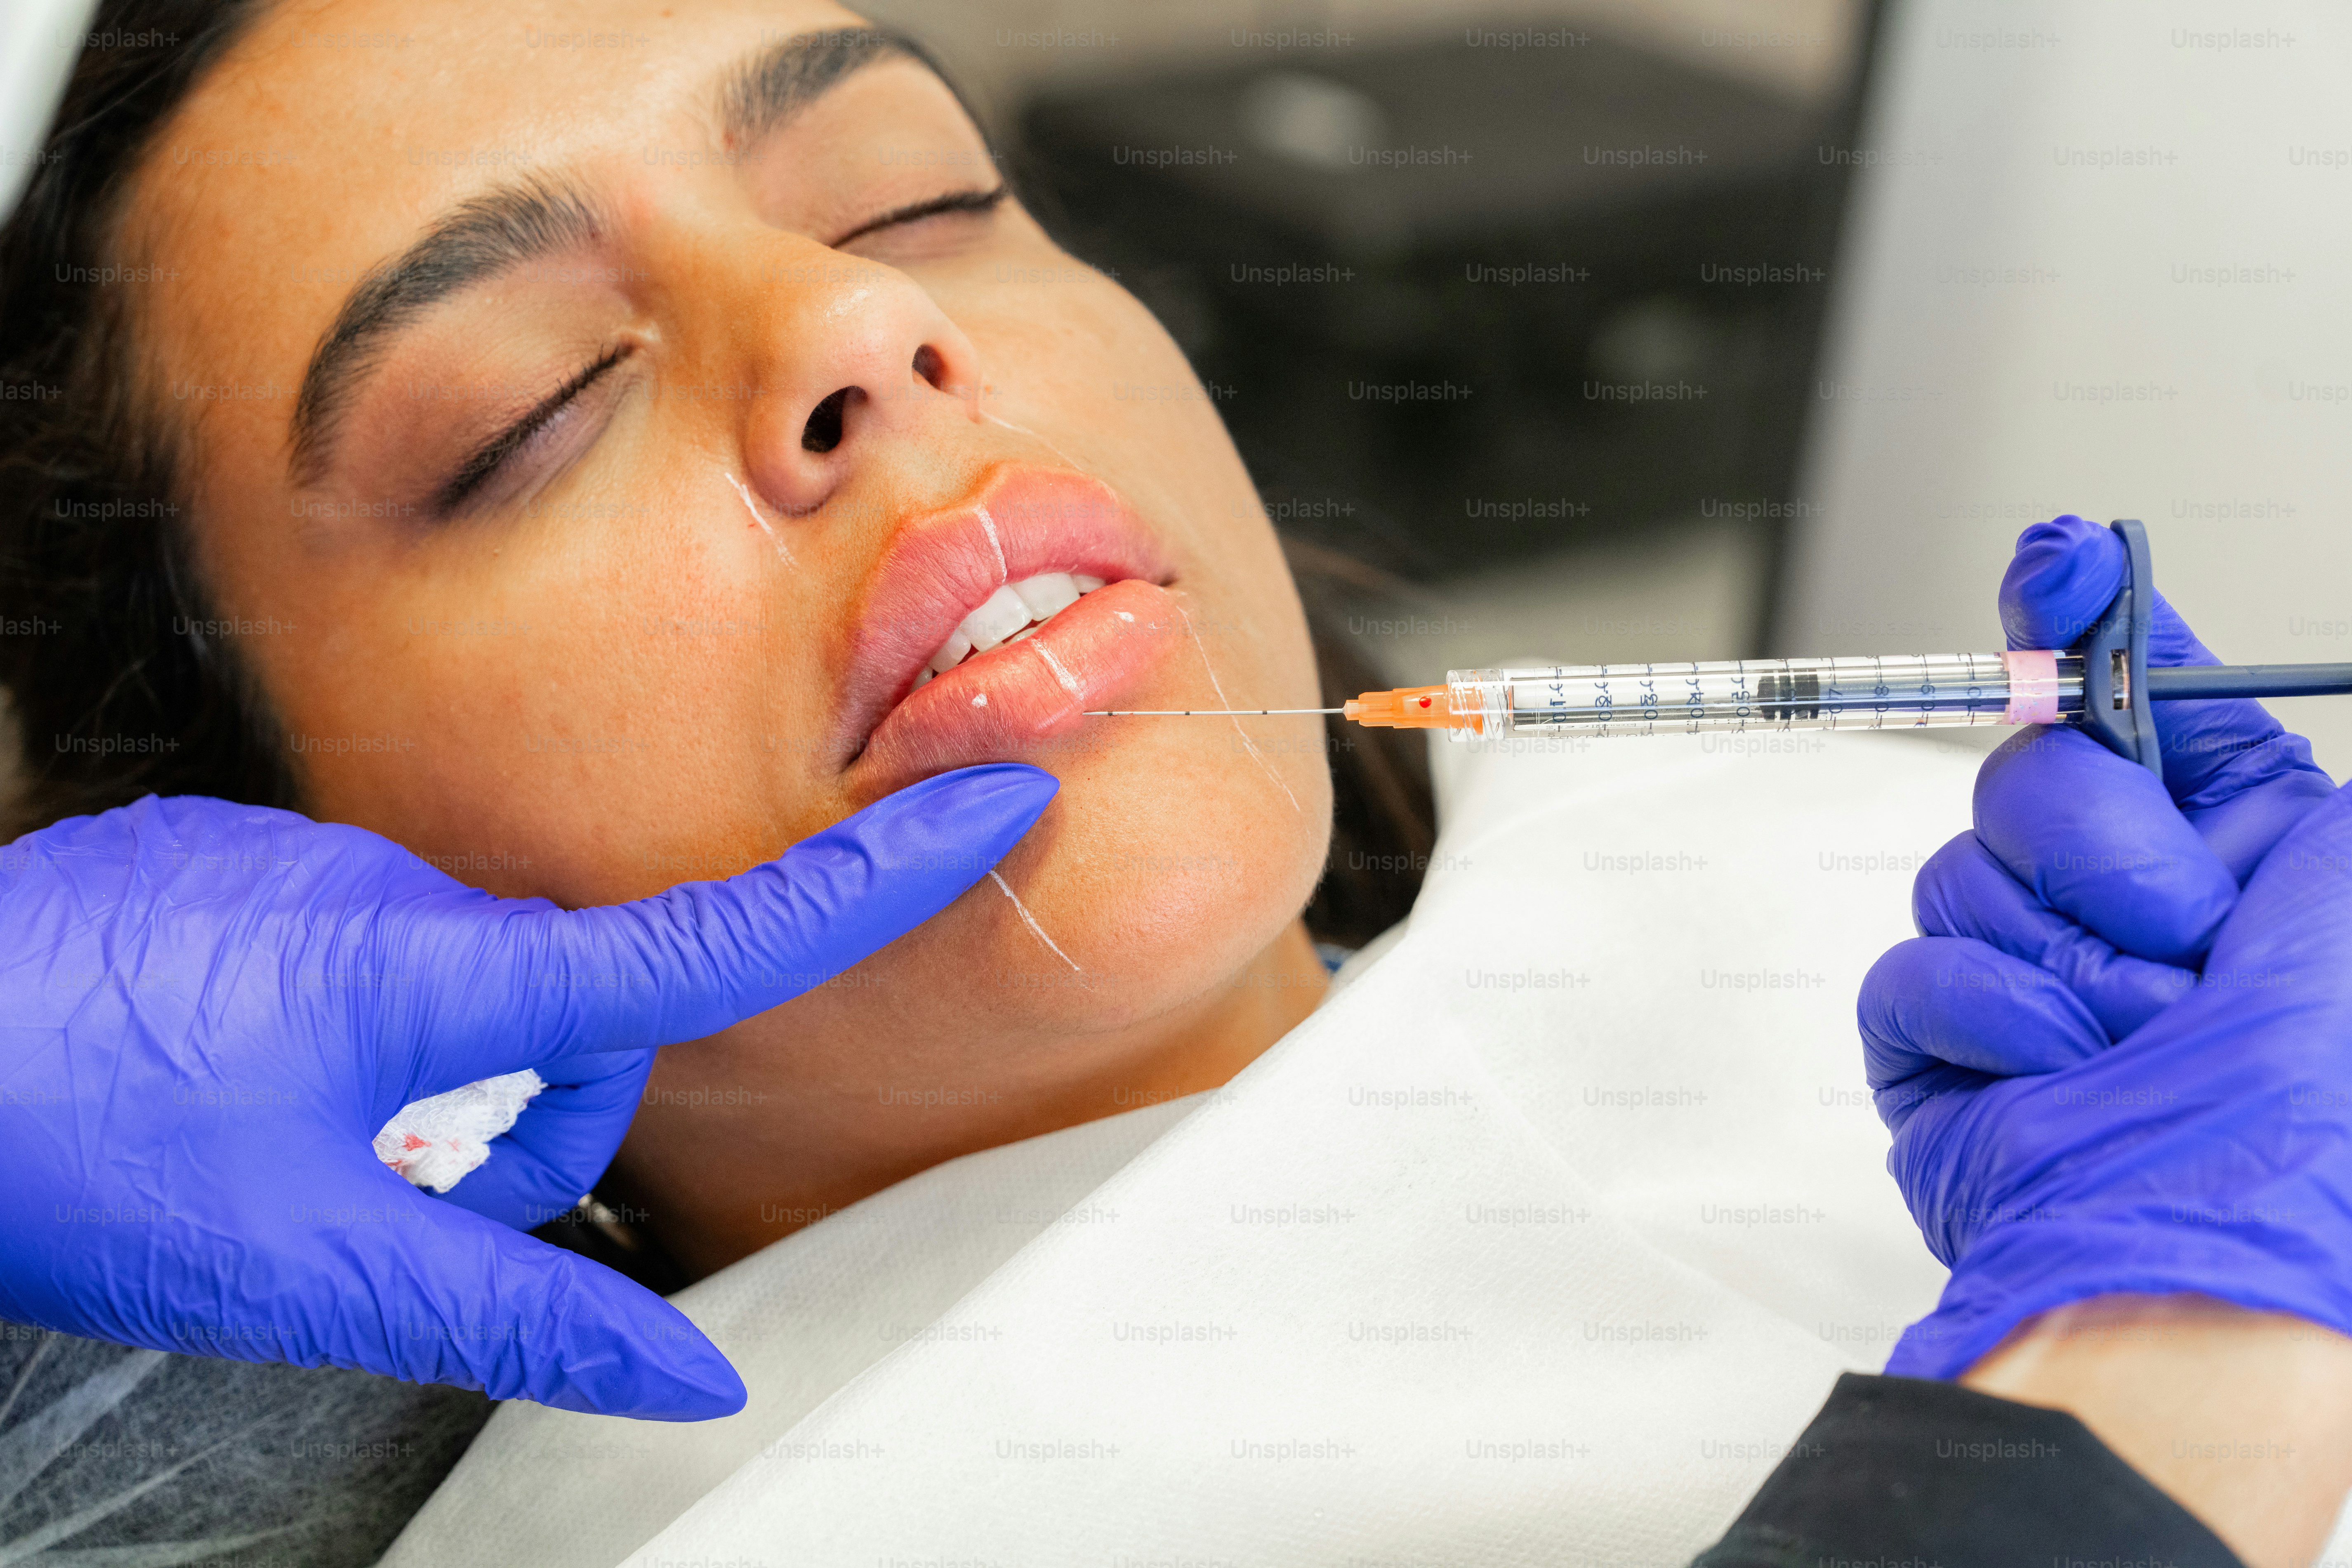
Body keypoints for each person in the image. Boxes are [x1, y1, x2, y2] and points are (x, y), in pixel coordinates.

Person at [4, 5, 2350, 1566]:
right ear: (259, 879)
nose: (855, 327)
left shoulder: (1917, 900)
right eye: (532, 407)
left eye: (907, 201)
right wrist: (2162, 1363)